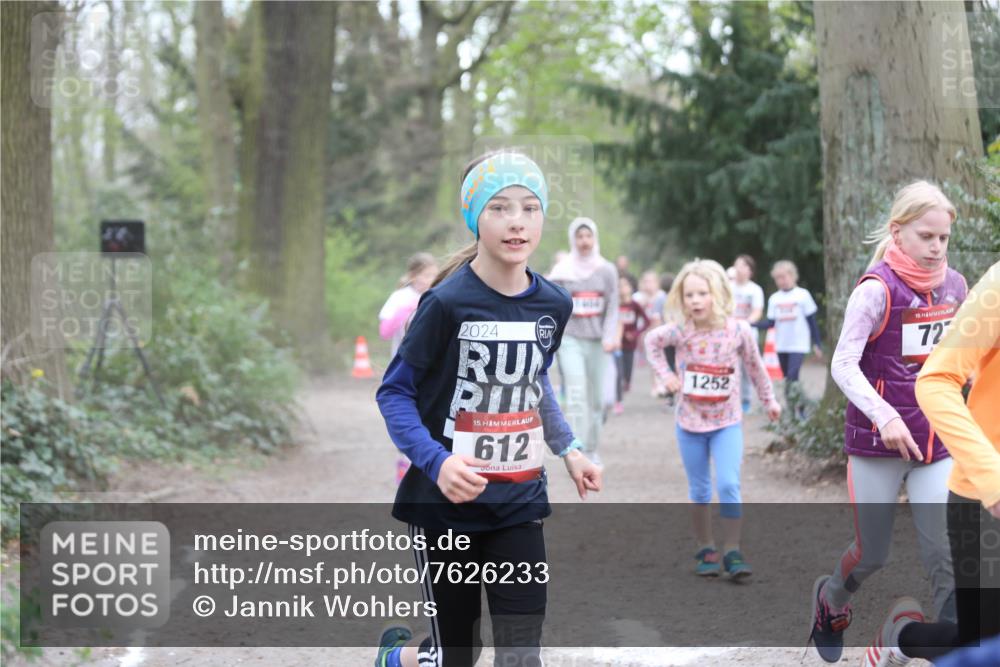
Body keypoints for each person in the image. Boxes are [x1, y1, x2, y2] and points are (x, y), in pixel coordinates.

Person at [374, 150, 602, 667]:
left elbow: (532, 379)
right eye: (499, 207)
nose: (517, 220)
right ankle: (397, 659)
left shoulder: (554, 304)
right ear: (475, 216)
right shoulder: (445, 303)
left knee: (521, 655)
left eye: (529, 207)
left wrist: (570, 449)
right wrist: (438, 461)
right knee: (459, 654)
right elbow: (394, 393)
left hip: (519, 502)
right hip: (445, 506)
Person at [807, 181, 967, 664]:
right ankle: (831, 603)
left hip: (934, 442)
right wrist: (886, 415)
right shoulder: (876, 290)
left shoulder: (955, 286)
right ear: (898, 233)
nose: (937, 247)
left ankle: (954, 646)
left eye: (943, 238)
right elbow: (841, 364)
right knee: (872, 553)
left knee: (945, 551)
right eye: (926, 236)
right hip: (876, 443)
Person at [857, 260, 998, 667]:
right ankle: (903, 637)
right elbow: (936, 379)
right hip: (984, 498)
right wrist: (992, 479)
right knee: (978, 646)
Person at [644, 259, 781, 579]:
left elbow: (756, 368)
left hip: (727, 422)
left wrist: (769, 400)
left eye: (702, 293)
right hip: (690, 423)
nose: (695, 301)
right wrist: (666, 376)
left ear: (717, 294)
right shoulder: (680, 331)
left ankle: (732, 550)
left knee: (729, 483)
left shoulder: (738, 330)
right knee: (700, 490)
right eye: (689, 295)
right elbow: (651, 342)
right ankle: (706, 547)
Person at [548, 217, 620, 466]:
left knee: (598, 399)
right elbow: (551, 305)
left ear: (595, 238)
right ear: (573, 240)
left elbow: (613, 306)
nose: (584, 241)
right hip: (571, 339)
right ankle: (577, 451)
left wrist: (610, 336)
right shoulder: (562, 272)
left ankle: (592, 447)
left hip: (599, 341)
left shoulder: (607, 270)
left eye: (588, 236)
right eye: (579, 236)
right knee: (577, 393)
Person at [380, 252, 440, 484]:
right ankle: (404, 465)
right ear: (413, 276)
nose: (429, 280)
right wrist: (409, 309)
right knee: (406, 413)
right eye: (425, 275)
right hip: (404, 366)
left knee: (429, 413)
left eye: (433, 275)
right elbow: (384, 332)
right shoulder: (399, 297)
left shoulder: (438, 295)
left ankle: (425, 465)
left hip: (432, 367)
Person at [755, 260, 823, 417]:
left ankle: (801, 410)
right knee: (788, 379)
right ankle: (792, 412)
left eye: (784, 276)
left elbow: (811, 321)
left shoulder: (803, 295)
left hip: (798, 345)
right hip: (781, 345)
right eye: (777, 278)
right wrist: (750, 324)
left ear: (792, 276)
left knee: (793, 377)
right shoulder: (774, 299)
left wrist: (817, 343)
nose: (781, 280)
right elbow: (770, 323)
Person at [730, 255, 765, 413]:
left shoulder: (755, 289)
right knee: (729, 366)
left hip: (748, 333)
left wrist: (745, 323)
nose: (739, 269)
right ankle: (730, 399)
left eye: (743, 266)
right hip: (728, 333)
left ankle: (746, 400)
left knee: (746, 368)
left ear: (750, 270)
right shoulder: (727, 287)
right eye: (736, 265)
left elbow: (757, 312)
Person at [614, 274, 649, 414]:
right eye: (619, 286)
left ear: (630, 288)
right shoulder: (614, 304)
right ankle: (618, 401)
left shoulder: (635, 305)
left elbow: (647, 321)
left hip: (630, 345)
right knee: (618, 373)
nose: (622, 288)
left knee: (627, 375)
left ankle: (626, 383)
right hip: (616, 344)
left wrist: (634, 334)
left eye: (625, 285)